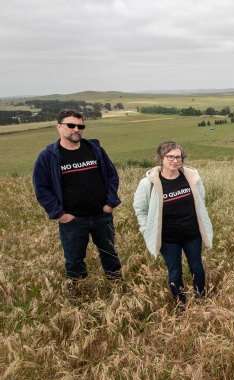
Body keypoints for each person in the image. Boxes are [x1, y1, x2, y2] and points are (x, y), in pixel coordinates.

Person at [33, 109, 122, 286]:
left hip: (101, 216)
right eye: (71, 125)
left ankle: (118, 288)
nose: (76, 129)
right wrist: (60, 214)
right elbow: (42, 189)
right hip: (73, 220)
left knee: (110, 253)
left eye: (80, 126)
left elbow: (112, 176)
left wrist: (110, 203)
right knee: (74, 259)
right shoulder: (48, 157)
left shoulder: (94, 150)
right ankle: (78, 296)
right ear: (59, 127)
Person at [133, 141, 213, 309]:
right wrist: (146, 229)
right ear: (161, 158)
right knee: (175, 272)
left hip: (192, 234)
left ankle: (201, 302)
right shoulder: (149, 183)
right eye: (170, 157)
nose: (175, 161)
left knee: (197, 267)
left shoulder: (191, 177)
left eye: (178, 157)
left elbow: (201, 198)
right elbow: (141, 209)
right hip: (168, 239)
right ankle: (181, 306)